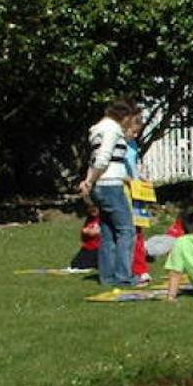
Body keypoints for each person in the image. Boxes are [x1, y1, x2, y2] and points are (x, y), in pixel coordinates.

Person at [78, 98, 141, 288]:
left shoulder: (98, 130)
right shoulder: (112, 130)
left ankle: (107, 276)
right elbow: (103, 158)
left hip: (101, 186)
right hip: (111, 185)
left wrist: (89, 181)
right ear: (124, 117)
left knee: (108, 231)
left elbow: (94, 159)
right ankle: (123, 275)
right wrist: (90, 179)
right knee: (126, 230)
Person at [69, 204, 102, 271]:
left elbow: (96, 232)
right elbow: (84, 234)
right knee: (75, 264)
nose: (92, 211)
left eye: (95, 208)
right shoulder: (89, 219)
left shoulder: (102, 219)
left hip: (97, 248)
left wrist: (87, 231)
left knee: (81, 265)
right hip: (87, 247)